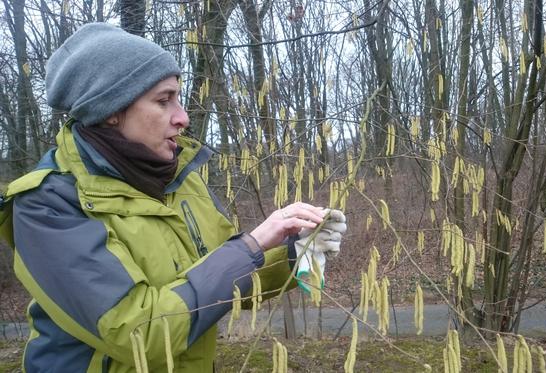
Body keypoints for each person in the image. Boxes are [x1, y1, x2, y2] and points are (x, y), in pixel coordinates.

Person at [0, 23, 346, 372]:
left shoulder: (180, 180)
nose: (182, 118)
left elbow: (221, 283)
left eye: (178, 99)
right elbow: (141, 334)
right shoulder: (48, 205)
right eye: (164, 100)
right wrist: (250, 247)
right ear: (111, 110)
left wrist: (291, 254)